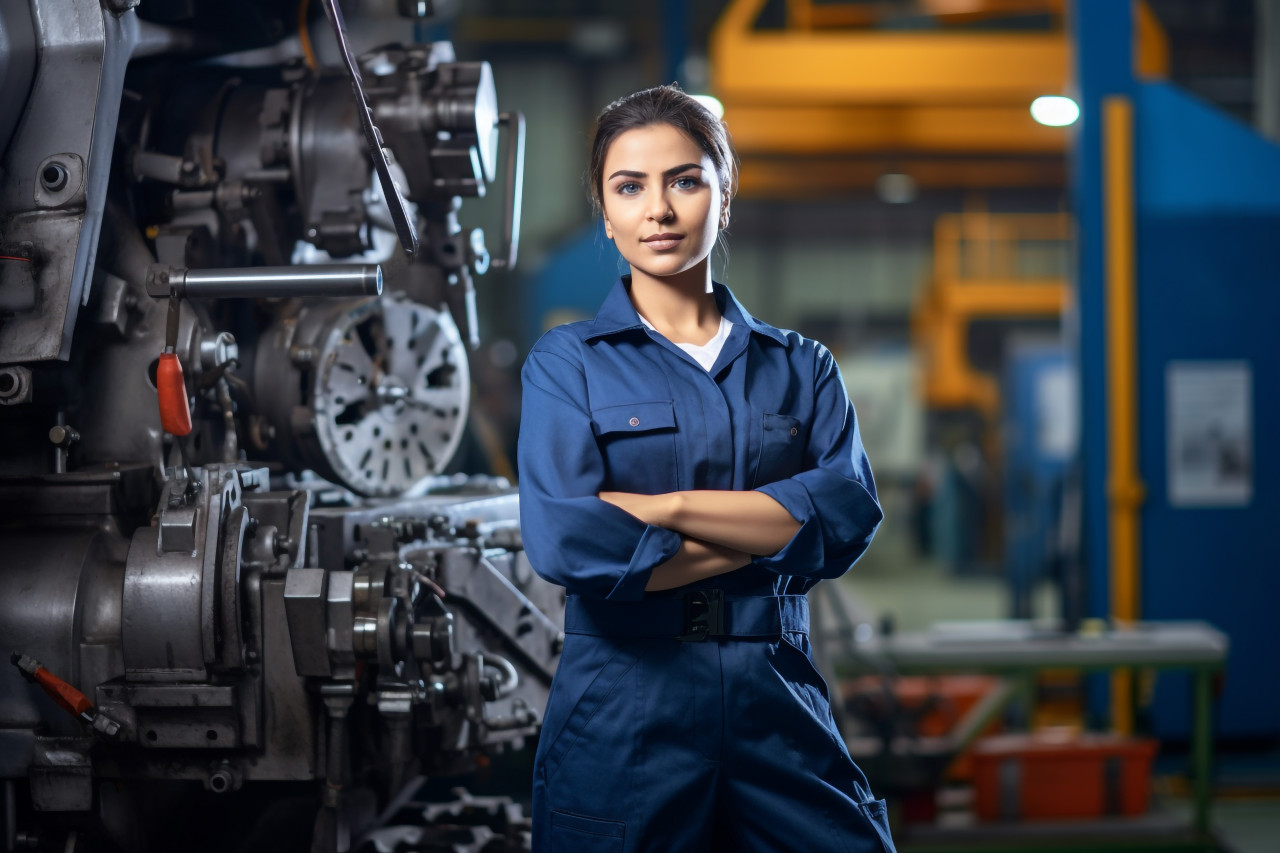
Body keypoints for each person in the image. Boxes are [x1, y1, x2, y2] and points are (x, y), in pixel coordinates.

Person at [517, 84, 892, 853]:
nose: (657, 208)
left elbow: (849, 512)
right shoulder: (568, 365)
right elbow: (567, 541)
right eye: (630, 186)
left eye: (684, 180)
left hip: (774, 690)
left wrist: (668, 508)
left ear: (725, 196)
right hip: (625, 702)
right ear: (605, 207)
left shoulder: (801, 367)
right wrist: (776, 525)